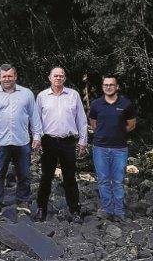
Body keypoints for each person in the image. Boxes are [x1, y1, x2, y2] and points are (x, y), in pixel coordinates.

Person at [0, 64, 43, 219]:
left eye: (10, 76)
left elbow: (34, 116)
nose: (7, 79)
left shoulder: (27, 94)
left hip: (21, 141)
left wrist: (37, 136)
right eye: (4, 76)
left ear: (15, 76)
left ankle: (23, 203)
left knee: (24, 174)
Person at [33, 67, 88, 223]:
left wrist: (83, 141)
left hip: (68, 141)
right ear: (49, 78)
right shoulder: (42, 96)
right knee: (46, 177)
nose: (58, 78)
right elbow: (37, 121)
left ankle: (75, 210)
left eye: (61, 76)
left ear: (64, 78)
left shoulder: (73, 95)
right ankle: (41, 208)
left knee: (70, 177)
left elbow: (81, 120)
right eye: (55, 76)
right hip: (48, 141)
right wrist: (36, 139)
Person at [89, 74, 137, 221]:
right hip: (100, 148)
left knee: (118, 181)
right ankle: (107, 209)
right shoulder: (96, 104)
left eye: (111, 85)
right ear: (102, 87)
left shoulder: (126, 104)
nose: (108, 87)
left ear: (117, 87)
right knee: (103, 180)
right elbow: (93, 123)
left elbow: (131, 124)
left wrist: (119, 132)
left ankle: (119, 211)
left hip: (120, 148)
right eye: (106, 85)